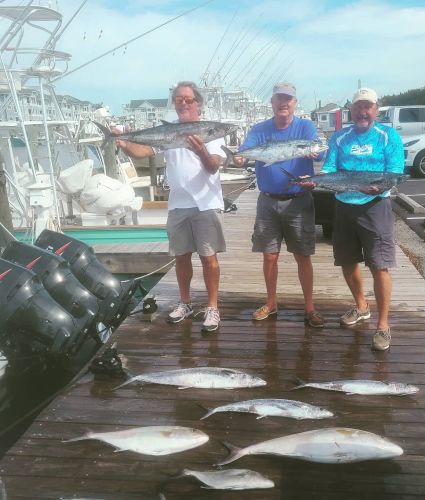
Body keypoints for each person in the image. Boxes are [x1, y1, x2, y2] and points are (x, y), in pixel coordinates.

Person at [115, 81, 226, 333]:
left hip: (205, 204)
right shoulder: (169, 131)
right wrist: (123, 143)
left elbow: (212, 166)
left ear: (198, 103)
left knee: (209, 259)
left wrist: (201, 153)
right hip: (177, 204)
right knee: (181, 258)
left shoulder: (210, 131)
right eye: (178, 99)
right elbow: (142, 151)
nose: (183, 103)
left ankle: (212, 307)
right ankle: (185, 303)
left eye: (188, 99)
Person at [234, 82, 325, 328]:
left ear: (295, 103)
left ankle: (309, 308)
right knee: (269, 256)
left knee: (303, 256)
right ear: (272, 102)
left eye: (289, 99)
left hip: (299, 200)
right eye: (279, 99)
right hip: (268, 201)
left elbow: (320, 151)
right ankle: (271, 303)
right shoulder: (259, 129)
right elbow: (243, 154)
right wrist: (240, 157)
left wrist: (316, 154)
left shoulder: (305, 127)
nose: (284, 103)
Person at [321, 87, 404, 350]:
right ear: (351, 111)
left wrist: (379, 188)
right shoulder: (340, 136)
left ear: (376, 109)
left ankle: (383, 324)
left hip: (375, 206)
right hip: (344, 205)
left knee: (379, 265)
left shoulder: (388, 136)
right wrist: (315, 181)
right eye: (358, 107)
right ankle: (361, 306)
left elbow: (394, 173)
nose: (362, 112)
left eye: (367, 106)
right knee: (347, 261)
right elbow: (329, 168)